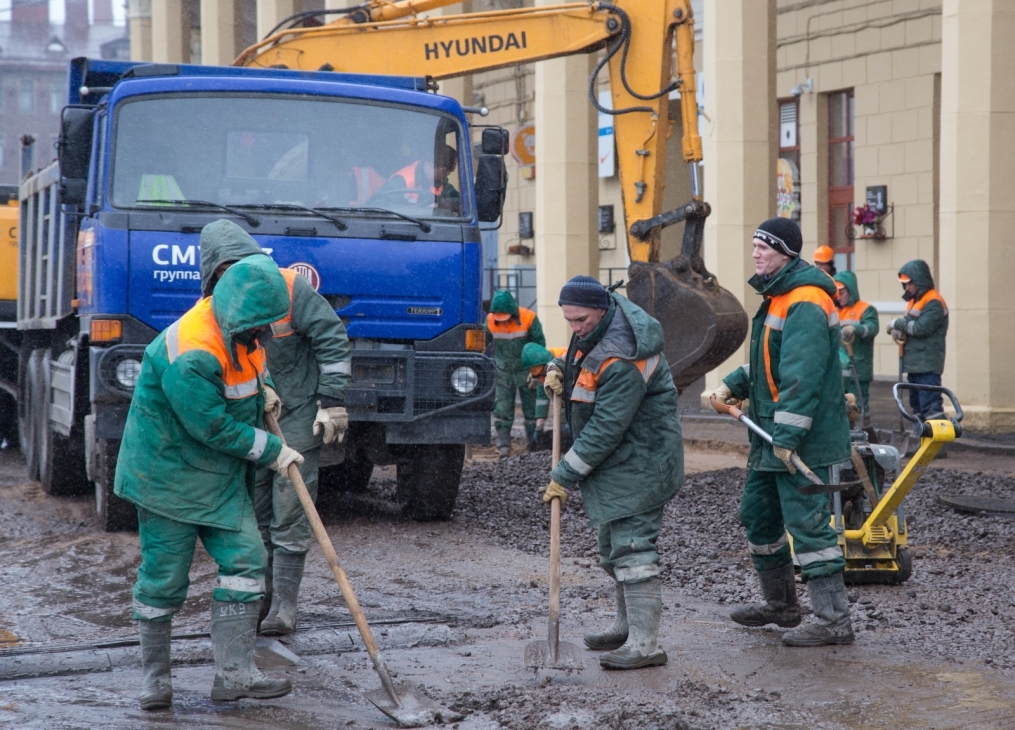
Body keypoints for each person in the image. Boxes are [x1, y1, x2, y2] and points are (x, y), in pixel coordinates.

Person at [115, 252, 299, 709]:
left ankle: (234, 673)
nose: (265, 334)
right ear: (238, 315)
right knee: (164, 582)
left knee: (247, 559)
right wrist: (274, 451)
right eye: (260, 327)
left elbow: (250, 364)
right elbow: (211, 427)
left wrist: (266, 388)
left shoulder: (243, 323)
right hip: (167, 478)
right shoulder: (191, 351)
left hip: (218, 478)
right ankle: (155, 680)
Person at [198, 220, 352, 637]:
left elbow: (331, 337)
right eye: (221, 271)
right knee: (255, 510)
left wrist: (333, 400)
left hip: (297, 413)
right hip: (250, 417)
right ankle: (258, 601)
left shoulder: (288, 288)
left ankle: (284, 607)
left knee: (291, 508)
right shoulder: (214, 303)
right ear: (212, 272)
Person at [711, 218, 854, 647]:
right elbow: (770, 361)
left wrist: (789, 439)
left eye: (765, 247)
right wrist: (734, 383)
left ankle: (834, 621)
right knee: (758, 517)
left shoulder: (805, 299)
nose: (756, 253)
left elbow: (801, 376)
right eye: (754, 245)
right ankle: (783, 606)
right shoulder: (779, 295)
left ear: (787, 252)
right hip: (771, 434)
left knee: (809, 529)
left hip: (800, 438)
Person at [542, 275, 682, 670]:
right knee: (611, 546)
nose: (574, 328)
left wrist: (564, 474)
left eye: (580, 320)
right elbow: (582, 357)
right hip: (618, 458)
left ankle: (645, 643)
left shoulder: (625, 354)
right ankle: (625, 626)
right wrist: (558, 367)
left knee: (633, 547)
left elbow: (606, 427)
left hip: (641, 459)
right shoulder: (596, 325)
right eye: (568, 320)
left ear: (601, 312)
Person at [886, 260, 949, 420]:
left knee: (931, 407)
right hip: (915, 364)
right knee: (918, 409)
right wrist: (901, 333)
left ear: (919, 280)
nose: (906, 288)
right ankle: (922, 439)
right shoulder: (917, 301)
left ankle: (938, 440)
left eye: (909, 284)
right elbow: (912, 327)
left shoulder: (933, 302)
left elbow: (921, 328)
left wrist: (897, 324)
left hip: (927, 365)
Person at [486, 289, 545, 458]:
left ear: (513, 312)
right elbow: (482, 342)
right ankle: (503, 445)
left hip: (525, 370)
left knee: (531, 408)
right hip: (503, 371)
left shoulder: (529, 318)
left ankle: (533, 444)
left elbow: (539, 344)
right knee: (502, 409)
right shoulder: (490, 320)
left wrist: (536, 369)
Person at [833, 271, 879, 429]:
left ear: (851, 291)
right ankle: (849, 432)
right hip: (841, 367)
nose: (839, 297)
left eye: (842, 293)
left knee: (859, 401)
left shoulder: (866, 309)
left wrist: (856, 329)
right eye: (837, 293)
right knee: (842, 401)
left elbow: (872, 328)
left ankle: (864, 430)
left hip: (859, 366)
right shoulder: (835, 311)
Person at [376, 142, 461, 214]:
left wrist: (441, 204)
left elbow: (461, 202)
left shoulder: (440, 182)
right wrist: (413, 211)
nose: (447, 176)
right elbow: (377, 204)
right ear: (442, 170)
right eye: (448, 172)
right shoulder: (403, 179)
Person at [521, 342, 567, 446]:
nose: (541, 374)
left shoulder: (564, 356)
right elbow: (542, 399)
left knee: (567, 424)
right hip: (565, 396)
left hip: (578, 390)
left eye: (542, 372)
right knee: (563, 424)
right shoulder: (542, 370)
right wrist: (539, 428)